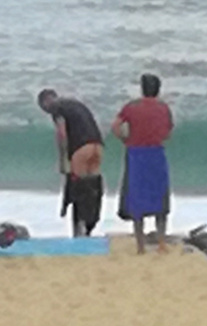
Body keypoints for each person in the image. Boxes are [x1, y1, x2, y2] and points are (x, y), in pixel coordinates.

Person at [111, 73, 174, 254]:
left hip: (136, 154)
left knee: (137, 199)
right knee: (160, 199)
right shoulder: (163, 108)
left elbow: (115, 126)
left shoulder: (132, 107)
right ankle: (161, 242)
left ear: (142, 89)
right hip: (156, 153)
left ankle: (140, 246)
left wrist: (126, 139)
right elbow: (168, 133)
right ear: (158, 90)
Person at [38, 88, 104, 237]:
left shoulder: (57, 108)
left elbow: (62, 134)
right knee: (92, 189)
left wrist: (63, 160)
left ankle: (78, 232)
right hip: (97, 146)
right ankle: (89, 229)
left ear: (45, 102)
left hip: (80, 148)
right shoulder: (75, 104)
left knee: (78, 190)